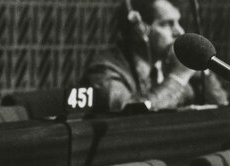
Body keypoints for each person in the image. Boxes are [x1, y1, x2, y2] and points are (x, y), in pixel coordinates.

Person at [82, 0, 227, 111]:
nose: (180, 31)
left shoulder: (168, 64)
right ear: (140, 29)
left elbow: (221, 110)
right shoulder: (106, 69)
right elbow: (128, 117)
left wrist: (205, 74)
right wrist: (178, 77)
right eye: (167, 24)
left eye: (178, 22)